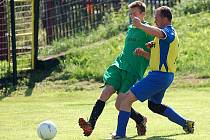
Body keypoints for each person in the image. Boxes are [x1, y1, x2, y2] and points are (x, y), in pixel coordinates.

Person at [113, 6, 195, 139]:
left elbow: (160, 33)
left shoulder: (169, 32)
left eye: (156, 17)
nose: (154, 20)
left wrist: (140, 26)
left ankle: (119, 135)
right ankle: (186, 123)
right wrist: (144, 53)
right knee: (154, 106)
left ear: (164, 18)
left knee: (126, 101)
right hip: (163, 76)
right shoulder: (160, 37)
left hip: (159, 76)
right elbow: (155, 57)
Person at [78, 1, 153, 137]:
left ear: (143, 14)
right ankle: (90, 125)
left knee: (119, 105)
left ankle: (140, 119)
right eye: (130, 14)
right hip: (119, 66)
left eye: (135, 14)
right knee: (104, 94)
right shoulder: (131, 28)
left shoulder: (149, 31)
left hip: (132, 72)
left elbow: (154, 55)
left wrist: (143, 53)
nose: (132, 17)